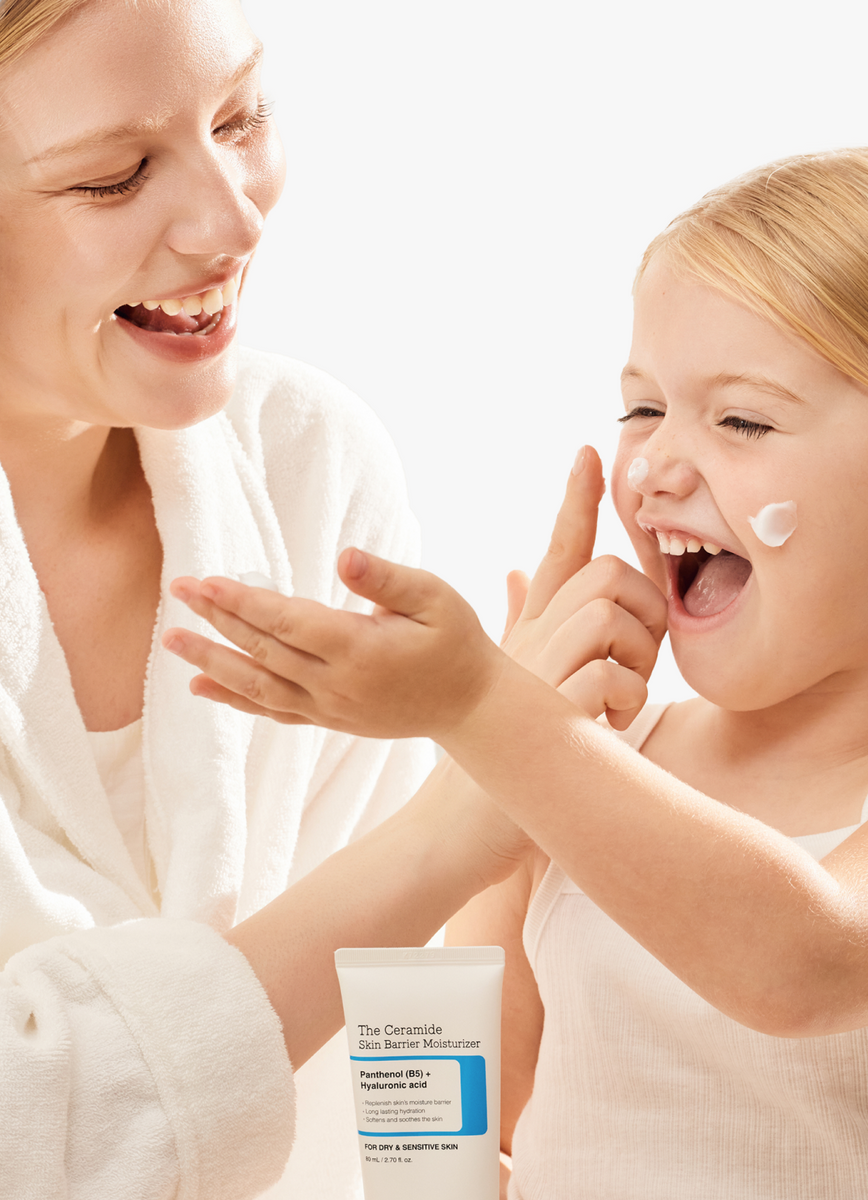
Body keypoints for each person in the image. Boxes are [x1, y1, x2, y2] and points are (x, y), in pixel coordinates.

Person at [167, 149, 868, 1200]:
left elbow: (806, 961)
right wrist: (507, 757)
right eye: (641, 409)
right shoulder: (603, 758)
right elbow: (474, 1118)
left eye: (743, 420)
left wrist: (494, 714)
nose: (656, 467)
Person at [0, 1, 633, 1196]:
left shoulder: (305, 467)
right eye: (115, 176)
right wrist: (466, 817)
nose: (234, 218)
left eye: (241, 116)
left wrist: (534, 803)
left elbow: (407, 1043)